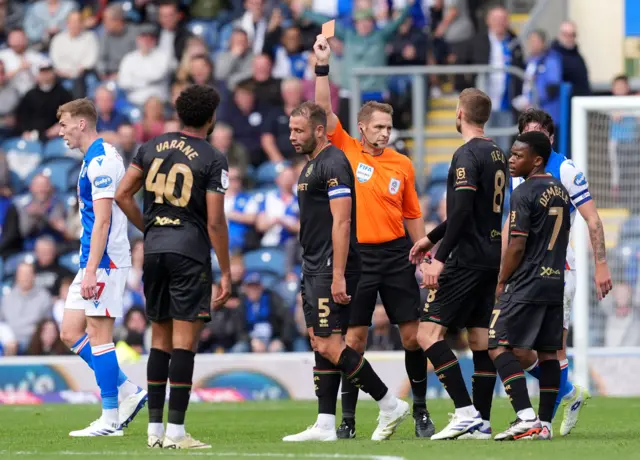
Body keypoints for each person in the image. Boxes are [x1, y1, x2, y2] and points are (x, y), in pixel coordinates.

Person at [312, 33, 434, 439]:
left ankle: (419, 410)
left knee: (413, 337)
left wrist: (425, 252)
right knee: (355, 339)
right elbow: (322, 111)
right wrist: (323, 67)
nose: (385, 132)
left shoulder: (402, 163)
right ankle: (348, 419)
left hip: (397, 254)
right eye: (378, 126)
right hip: (360, 257)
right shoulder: (346, 149)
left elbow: (413, 214)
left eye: (389, 126)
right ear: (361, 128)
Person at [282, 101, 409, 442]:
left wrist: (338, 274)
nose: (292, 136)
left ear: (319, 131)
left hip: (329, 266)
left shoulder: (334, 161)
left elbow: (343, 220)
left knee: (329, 342)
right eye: (291, 130)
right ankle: (325, 423)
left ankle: (388, 402)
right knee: (320, 342)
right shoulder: (312, 165)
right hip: (313, 265)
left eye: (299, 131)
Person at [115, 84, 232, 449]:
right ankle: (177, 433)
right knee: (185, 343)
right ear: (211, 118)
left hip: (153, 252)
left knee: (160, 341)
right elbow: (215, 222)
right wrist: (226, 272)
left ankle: (153, 433)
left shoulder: (149, 148)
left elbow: (122, 194)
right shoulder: (212, 157)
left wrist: (149, 227)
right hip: (189, 251)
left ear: (179, 114)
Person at [502, 108, 613, 436]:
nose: (535, 140)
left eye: (541, 133)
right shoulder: (516, 169)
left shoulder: (565, 169)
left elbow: (593, 218)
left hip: (558, 271)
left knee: (550, 348)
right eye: (528, 134)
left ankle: (542, 420)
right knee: (518, 349)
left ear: (551, 137)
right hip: (524, 272)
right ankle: (568, 393)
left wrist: (601, 264)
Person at [410, 88, 508, 440]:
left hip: (466, 259)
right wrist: (430, 237)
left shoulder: (466, 155)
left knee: (427, 333)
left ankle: (465, 412)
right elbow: (478, 211)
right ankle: (481, 422)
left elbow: (463, 212)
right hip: (491, 256)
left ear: (459, 113)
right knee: (480, 338)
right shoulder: (498, 152)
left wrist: (438, 257)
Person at [56, 98, 147, 437]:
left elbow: (104, 219)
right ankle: (127, 390)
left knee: (99, 335)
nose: (61, 131)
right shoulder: (93, 158)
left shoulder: (102, 161)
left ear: (81, 123)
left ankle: (110, 418)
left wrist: (93, 269)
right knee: (69, 331)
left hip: (105, 260)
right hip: (91, 259)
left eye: (64, 124)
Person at [489, 131, 571, 441]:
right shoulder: (560, 191)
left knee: (497, 343)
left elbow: (517, 244)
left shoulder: (524, 193)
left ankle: (525, 416)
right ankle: (545, 425)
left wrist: (502, 279)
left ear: (536, 160)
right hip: (554, 282)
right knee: (548, 353)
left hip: (527, 281)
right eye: (511, 153)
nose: (511, 159)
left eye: (518, 155)